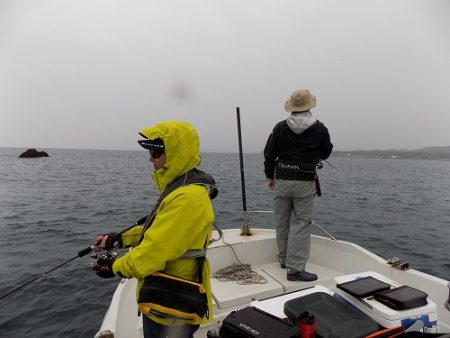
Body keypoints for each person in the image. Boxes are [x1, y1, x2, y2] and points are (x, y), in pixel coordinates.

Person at [91, 121, 217, 338]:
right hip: (163, 295)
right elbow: (158, 228)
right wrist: (119, 239)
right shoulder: (181, 189)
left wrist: (113, 267)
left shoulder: (188, 198)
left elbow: (152, 252)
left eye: (156, 152)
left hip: (172, 301)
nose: (150, 158)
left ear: (175, 153)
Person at [263, 89, 333, 282]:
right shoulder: (320, 128)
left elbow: (269, 154)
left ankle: (285, 259)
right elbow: (326, 152)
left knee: (282, 221)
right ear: (309, 106)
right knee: (301, 223)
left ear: (291, 107)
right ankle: (295, 269)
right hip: (304, 182)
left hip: (281, 180)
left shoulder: (279, 127)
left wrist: (270, 176)